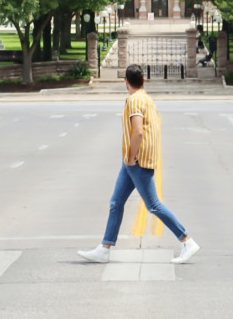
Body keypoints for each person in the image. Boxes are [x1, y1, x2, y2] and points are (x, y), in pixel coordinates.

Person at [78, 63, 199, 265]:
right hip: (135, 161)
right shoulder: (148, 99)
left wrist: (132, 156)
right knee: (116, 203)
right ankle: (104, 248)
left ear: (126, 82)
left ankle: (187, 240)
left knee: (153, 205)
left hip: (137, 160)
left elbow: (139, 131)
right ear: (143, 81)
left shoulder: (134, 101)